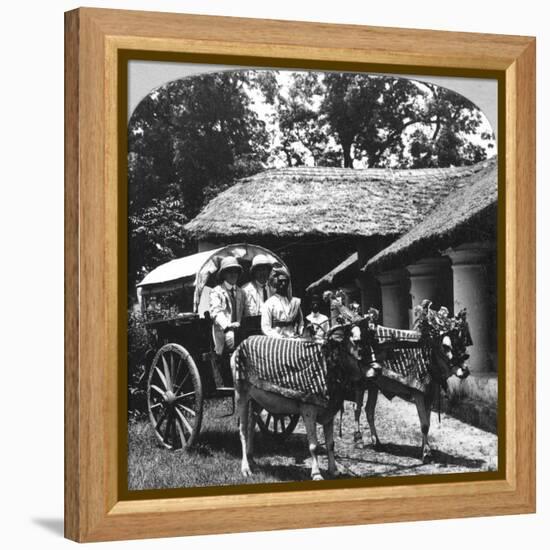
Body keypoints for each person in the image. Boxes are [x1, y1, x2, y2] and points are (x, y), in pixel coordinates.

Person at [209, 256, 246, 356]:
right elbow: (216, 312)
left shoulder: (241, 292)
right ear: (223, 274)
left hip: (240, 334)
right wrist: (228, 326)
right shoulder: (216, 291)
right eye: (229, 272)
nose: (233, 275)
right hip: (223, 333)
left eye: (235, 272)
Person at [261, 267, 304, 338]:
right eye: (280, 281)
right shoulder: (269, 303)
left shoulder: (294, 302)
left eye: (285, 281)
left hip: (294, 338)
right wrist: (279, 337)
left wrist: (300, 332)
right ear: (276, 283)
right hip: (277, 340)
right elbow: (266, 327)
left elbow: (301, 322)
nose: (283, 284)